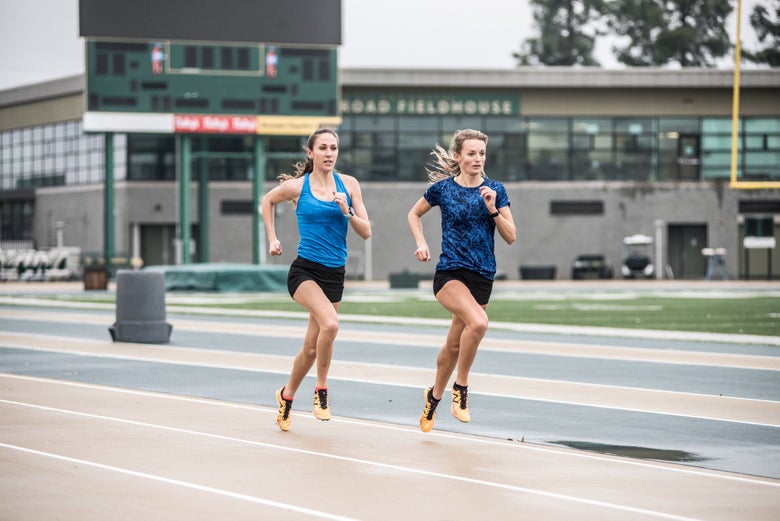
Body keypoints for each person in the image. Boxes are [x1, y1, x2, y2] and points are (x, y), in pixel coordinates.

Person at [260, 128, 371, 431]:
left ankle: (286, 395)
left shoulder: (348, 185)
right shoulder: (298, 187)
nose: (329, 153)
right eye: (322, 148)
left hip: (335, 273)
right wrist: (272, 238)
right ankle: (321, 390)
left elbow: (366, 230)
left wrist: (346, 210)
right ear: (310, 153)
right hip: (305, 271)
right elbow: (267, 201)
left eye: (333, 148)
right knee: (331, 325)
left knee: (311, 347)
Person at [407, 129, 516, 433]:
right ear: (457, 157)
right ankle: (462, 388)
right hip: (450, 272)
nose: (477, 159)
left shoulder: (496, 189)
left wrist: (493, 208)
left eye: (481, 153)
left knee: (454, 343)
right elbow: (413, 214)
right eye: (471, 153)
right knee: (479, 324)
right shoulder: (442, 190)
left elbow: (511, 236)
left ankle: (434, 397)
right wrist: (421, 243)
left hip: (482, 274)